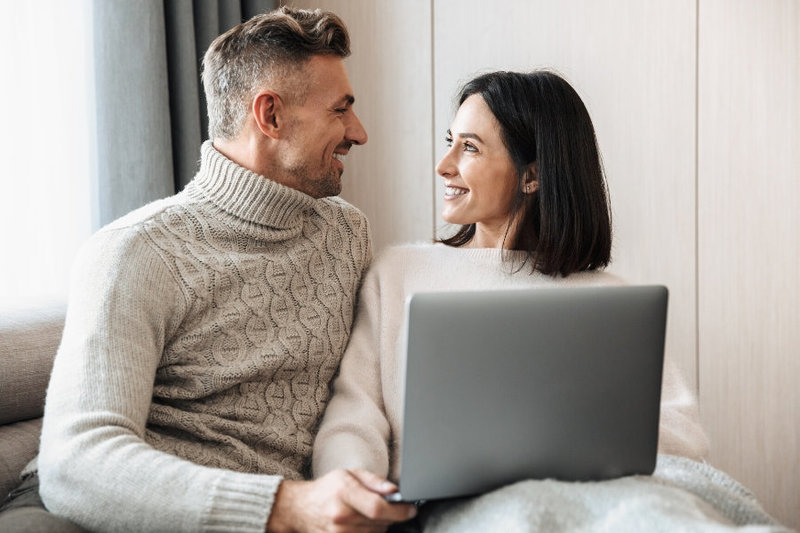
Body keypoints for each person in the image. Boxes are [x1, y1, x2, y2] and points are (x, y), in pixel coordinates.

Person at [0, 7, 415, 533]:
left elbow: (362, 398)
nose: (359, 132)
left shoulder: (346, 234)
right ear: (270, 115)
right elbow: (76, 463)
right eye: (340, 110)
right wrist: (284, 507)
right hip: (103, 510)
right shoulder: (137, 251)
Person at [313, 70, 709, 487]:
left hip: (593, 502)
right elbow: (353, 419)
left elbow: (684, 437)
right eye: (451, 143)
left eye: (470, 148)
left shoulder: (609, 303)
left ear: (532, 176)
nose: (443, 166)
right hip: (450, 512)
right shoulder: (398, 275)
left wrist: (562, 440)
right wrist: (353, 488)